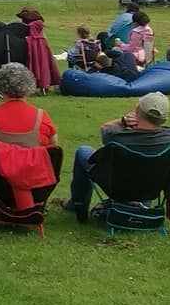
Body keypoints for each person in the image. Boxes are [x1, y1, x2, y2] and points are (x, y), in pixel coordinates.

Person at [62, 92, 170, 221]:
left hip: (116, 187)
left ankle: (78, 203)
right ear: (163, 119)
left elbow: (104, 128)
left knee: (83, 150)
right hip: (150, 190)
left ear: (137, 110)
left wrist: (123, 121)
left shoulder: (117, 137)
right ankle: (139, 205)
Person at [0, 63, 58, 146]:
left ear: (0, 86)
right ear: (30, 84)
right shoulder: (42, 117)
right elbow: (53, 148)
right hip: (33, 161)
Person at [15, 7, 60, 93]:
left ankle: (40, 85)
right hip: (42, 47)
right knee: (44, 65)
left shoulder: (32, 26)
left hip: (36, 47)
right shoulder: (38, 25)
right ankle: (44, 85)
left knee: (39, 65)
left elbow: (32, 37)